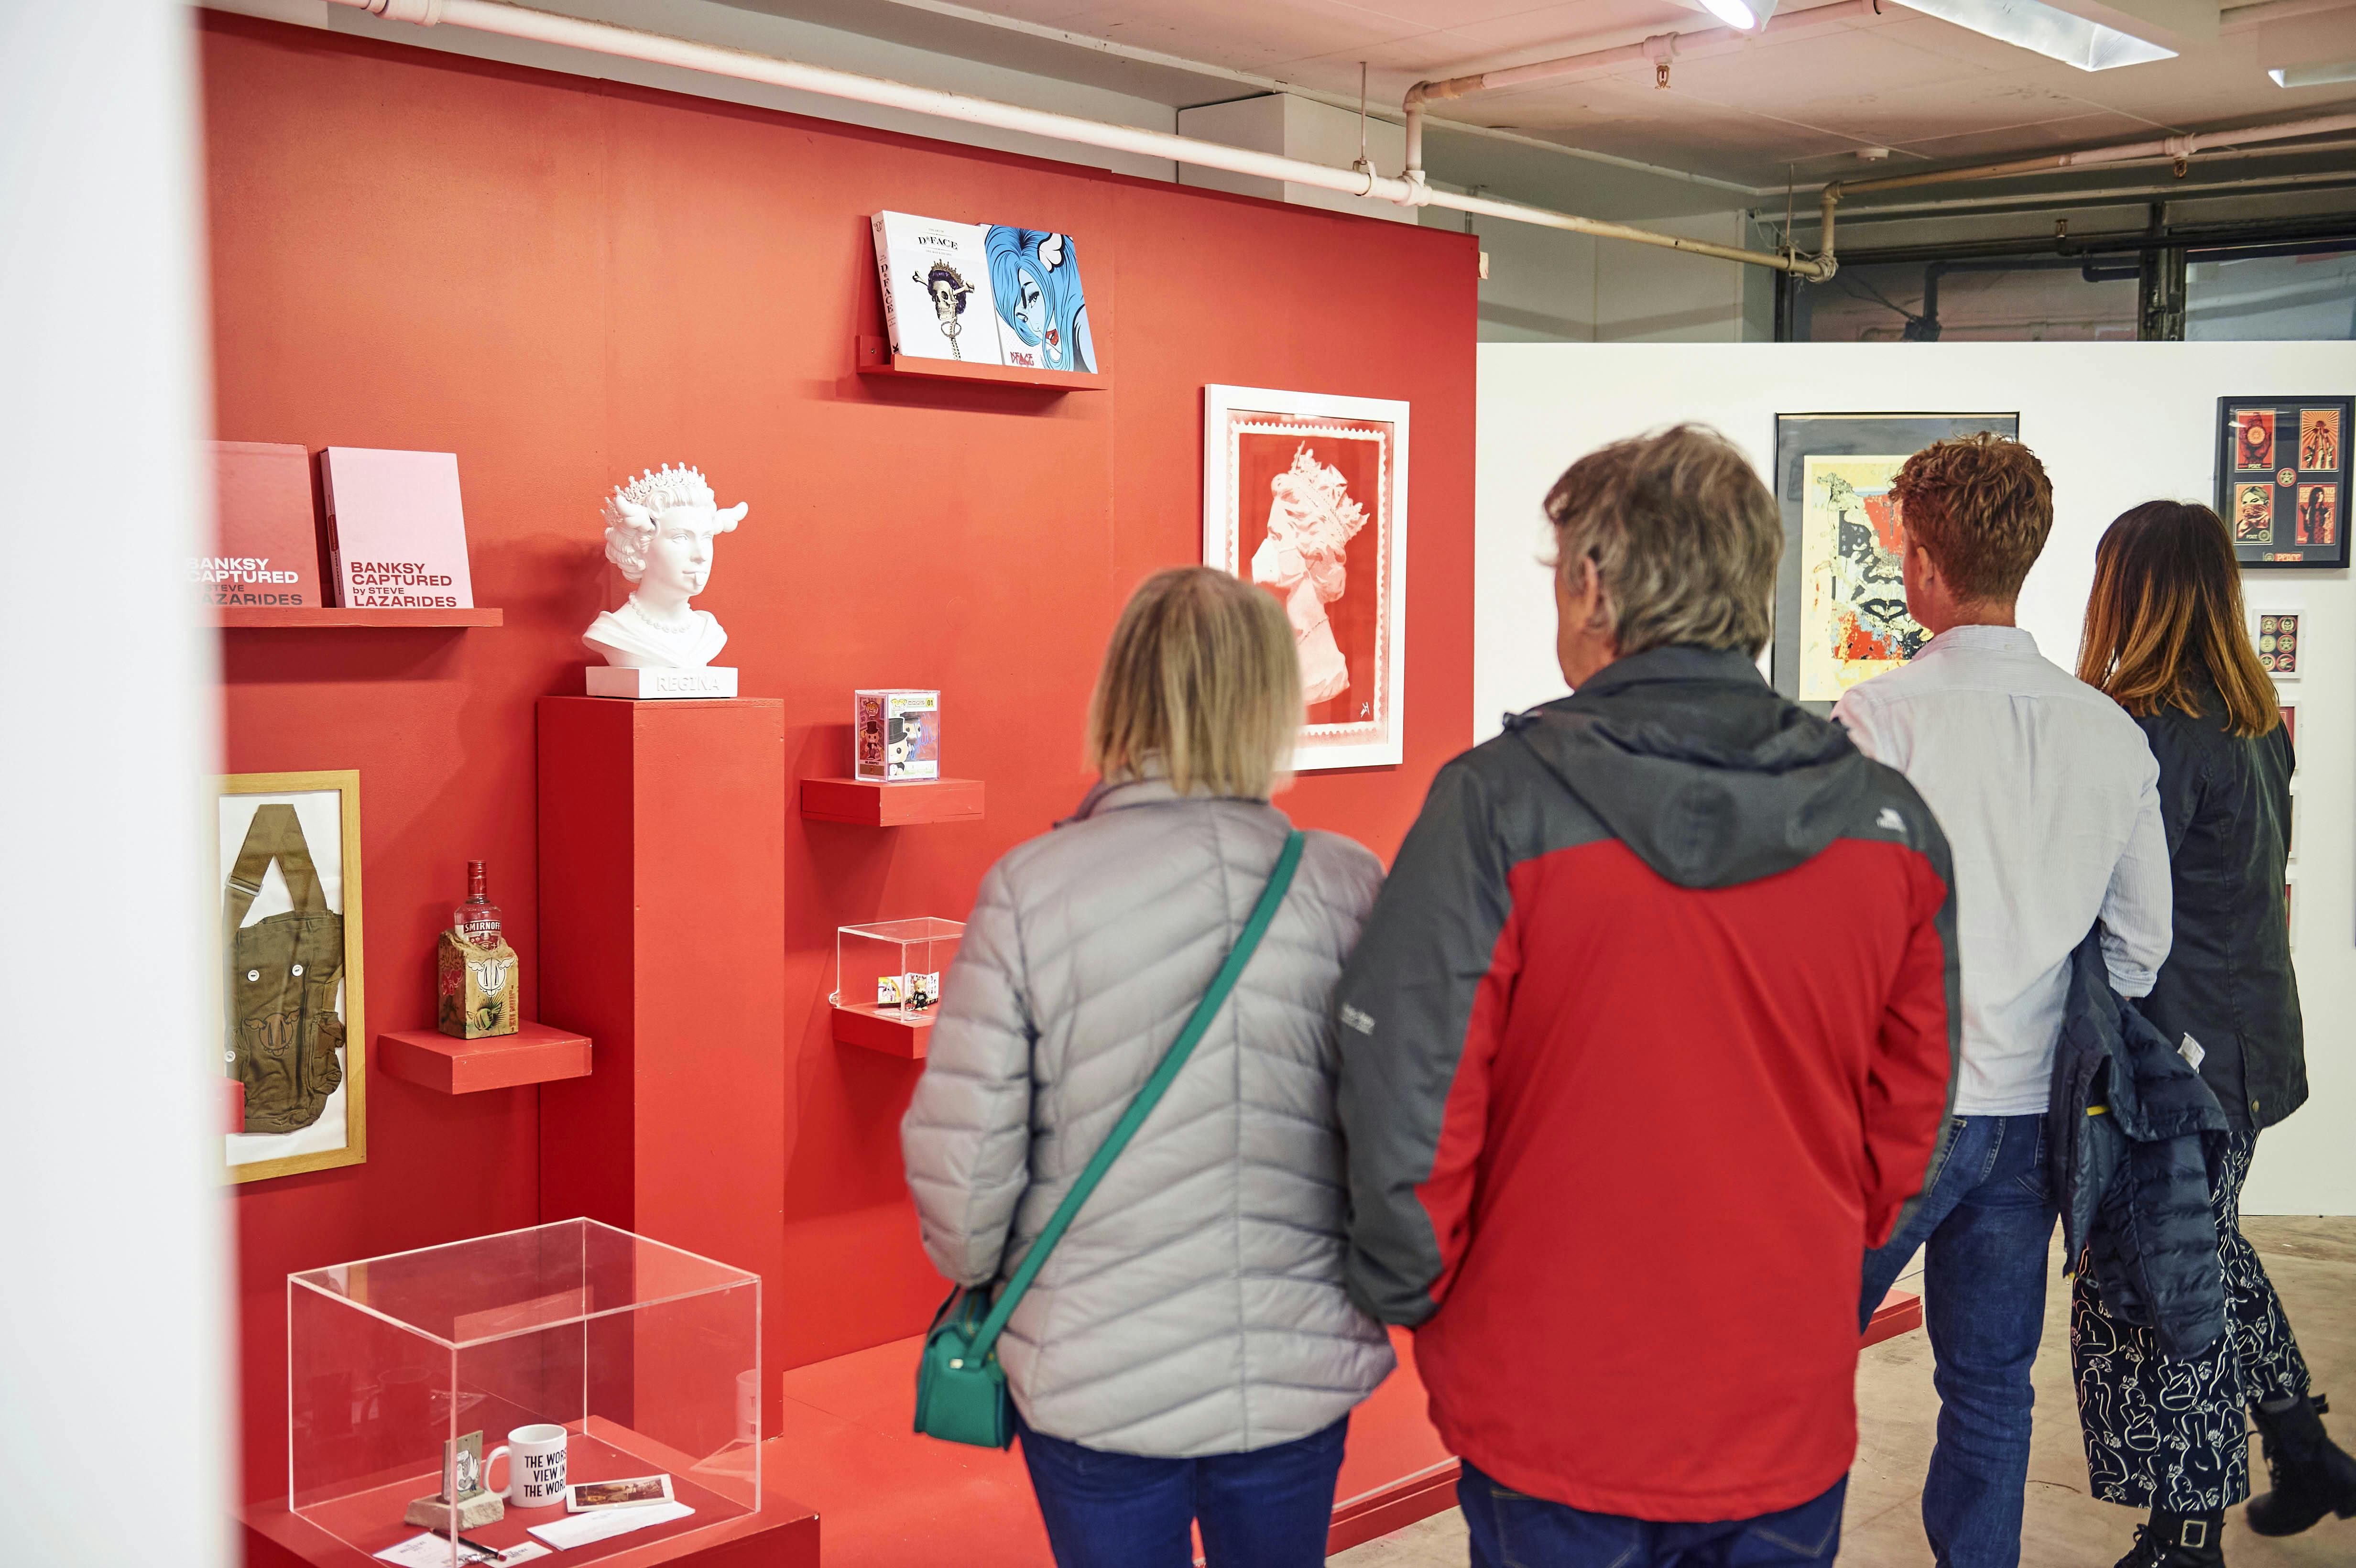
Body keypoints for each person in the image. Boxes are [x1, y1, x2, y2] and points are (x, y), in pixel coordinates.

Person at [1334, 425, 1960, 1568]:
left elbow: (1410, 1095)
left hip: (1551, 1397)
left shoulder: (1494, 806)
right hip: (1776, 1391)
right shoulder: (1890, 829)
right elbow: (1910, 1123)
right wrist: (1806, 1256)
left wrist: (1409, 1287)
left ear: (1593, 585)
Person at [899, 566, 1395, 1568]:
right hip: (1293, 1357)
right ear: (1275, 700)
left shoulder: (1032, 888)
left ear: (1121, 692)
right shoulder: (1345, 883)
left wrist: (977, 1272)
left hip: (1093, 1367)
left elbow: (964, 1173)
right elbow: (1394, 1131)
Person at [1838, 434, 2175, 1568]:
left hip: (1901, 1113)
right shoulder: (2109, 732)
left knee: (1784, 1360)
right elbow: (2141, 942)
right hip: (2035, 1116)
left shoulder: (1878, 719)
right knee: (1989, 1389)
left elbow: (1834, 928)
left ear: (1923, 562)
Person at [2070, 500, 2356, 1567]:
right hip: (2243, 1042)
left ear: (2129, 592)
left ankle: (2186, 1533)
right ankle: (2301, 1442)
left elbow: (2115, 903)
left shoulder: (2155, 728)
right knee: (2212, 1252)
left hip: (2179, 1059)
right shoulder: (2246, 717)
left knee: (2178, 1282)